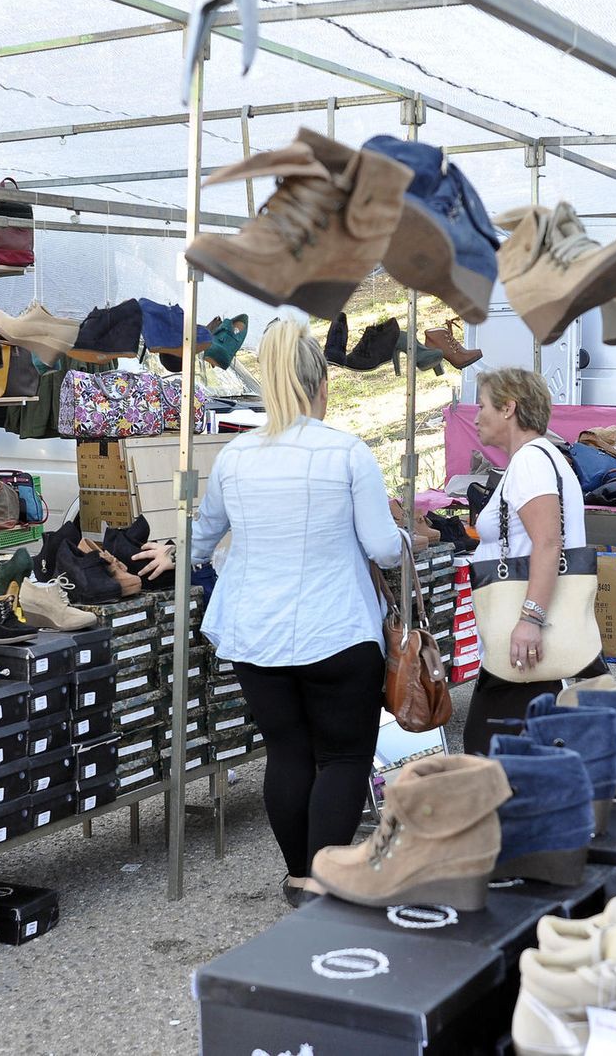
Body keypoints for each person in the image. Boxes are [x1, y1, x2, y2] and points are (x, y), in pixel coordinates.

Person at [186, 318, 402, 906]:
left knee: (287, 753)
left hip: (255, 632)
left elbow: (201, 539)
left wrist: (170, 550)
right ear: (321, 383)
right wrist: (413, 541)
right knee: (343, 755)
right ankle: (323, 880)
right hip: (338, 629)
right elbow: (383, 547)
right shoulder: (347, 451)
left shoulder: (235, 456)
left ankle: (297, 875)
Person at [464, 367, 608, 755]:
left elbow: (547, 542)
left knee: (486, 749)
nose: (476, 417)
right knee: (518, 747)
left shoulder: (530, 462)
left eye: (483, 406)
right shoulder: (545, 458)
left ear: (509, 408)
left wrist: (529, 619)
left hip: (526, 633)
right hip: (531, 631)